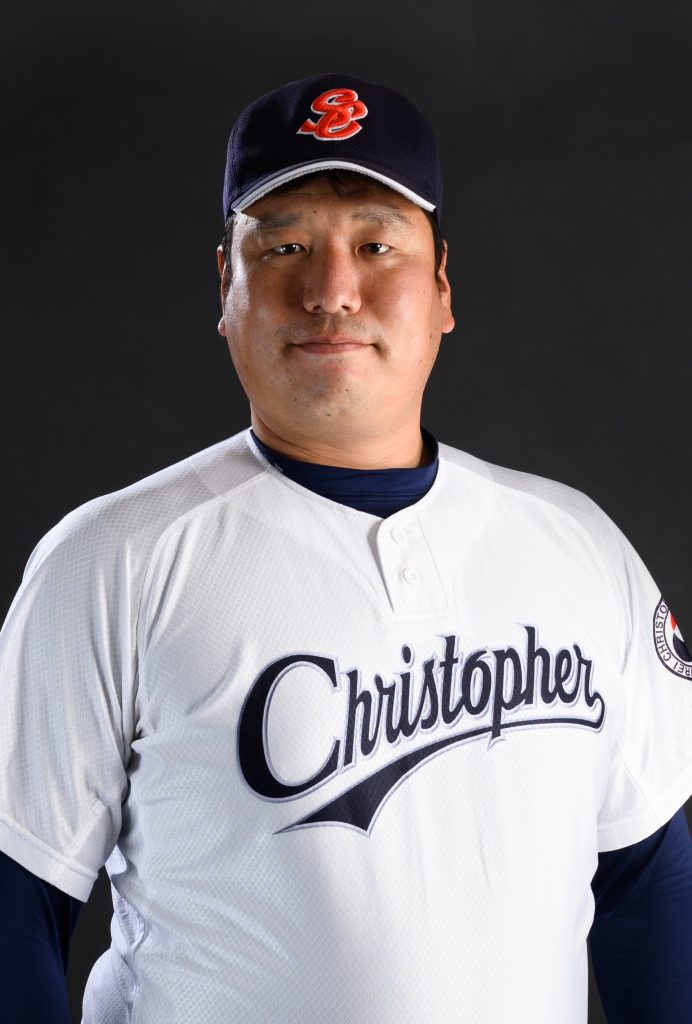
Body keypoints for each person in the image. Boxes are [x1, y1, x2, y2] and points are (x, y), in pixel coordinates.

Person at [0, 72, 691, 1024]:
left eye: (376, 244)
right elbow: (15, 906)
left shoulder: (580, 547)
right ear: (227, 287)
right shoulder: (110, 562)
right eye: (283, 246)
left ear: (441, 286)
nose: (331, 289)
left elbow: (654, 887)